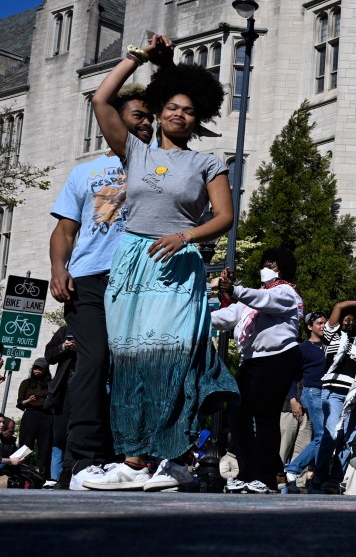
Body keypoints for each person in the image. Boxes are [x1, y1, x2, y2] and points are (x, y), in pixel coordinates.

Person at [82, 34, 238, 491]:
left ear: (198, 118)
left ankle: (173, 458)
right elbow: (101, 97)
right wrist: (139, 57)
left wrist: (185, 235)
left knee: (172, 356)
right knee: (129, 360)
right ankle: (133, 462)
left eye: (188, 110)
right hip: (133, 262)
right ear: (157, 111)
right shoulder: (134, 150)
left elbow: (225, 218)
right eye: (171, 106)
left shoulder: (209, 163)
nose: (178, 114)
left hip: (178, 263)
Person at [48, 84, 152, 487]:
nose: (145, 124)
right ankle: (82, 461)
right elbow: (64, 229)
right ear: (116, 119)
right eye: (138, 116)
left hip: (140, 278)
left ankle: (131, 457)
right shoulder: (85, 172)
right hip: (89, 277)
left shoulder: (158, 163)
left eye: (149, 118)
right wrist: (59, 268)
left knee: (134, 364)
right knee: (93, 362)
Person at [214, 249, 304, 494]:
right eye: (264, 263)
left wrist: (233, 290)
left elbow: (265, 301)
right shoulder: (254, 298)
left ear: (282, 268)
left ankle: (265, 477)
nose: (266, 268)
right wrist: (195, 315)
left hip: (278, 358)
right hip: (252, 360)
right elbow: (229, 315)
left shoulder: (286, 292)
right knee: (236, 414)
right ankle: (247, 472)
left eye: (272, 264)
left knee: (265, 417)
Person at [309, 299, 356, 494]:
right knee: (333, 433)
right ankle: (320, 473)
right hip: (334, 392)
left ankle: (335, 479)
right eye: (345, 319)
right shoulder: (332, 336)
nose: (348, 322)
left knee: (348, 438)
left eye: (352, 320)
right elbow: (337, 307)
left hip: (355, 396)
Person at [282, 311, 329, 492]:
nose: (323, 326)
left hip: (328, 394)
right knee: (322, 436)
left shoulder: (329, 346)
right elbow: (292, 376)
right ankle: (293, 469)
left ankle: (317, 478)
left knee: (328, 437)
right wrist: (293, 400)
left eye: (325, 323)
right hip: (312, 393)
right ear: (310, 326)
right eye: (319, 323)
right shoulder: (303, 348)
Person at [43, 326, 75, 485]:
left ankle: (71, 470)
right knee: (61, 434)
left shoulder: (97, 327)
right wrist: (63, 347)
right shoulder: (65, 330)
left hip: (89, 387)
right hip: (64, 390)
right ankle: (62, 473)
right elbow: (49, 355)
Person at [17, 359, 54, 481]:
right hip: (31, 415)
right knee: (25, 446)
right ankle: (22, 476)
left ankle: (44, 477)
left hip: (47, 416)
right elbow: (20, 403)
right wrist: (28, 401)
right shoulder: (26, 383)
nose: (37, 370)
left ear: (45, 370)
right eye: (35, 368)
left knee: (45, 447)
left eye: (40, 368)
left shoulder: (51, 384)